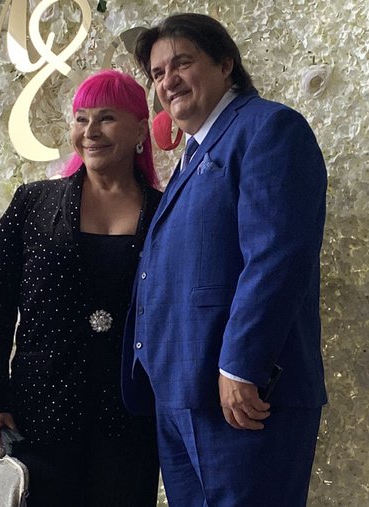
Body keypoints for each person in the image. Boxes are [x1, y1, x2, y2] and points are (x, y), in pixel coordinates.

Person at [122, 13, 328, 506]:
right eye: (157, 73)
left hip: (243, 396)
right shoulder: (190, 157)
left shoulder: (268, 128)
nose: (168, 81)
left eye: (182, 63)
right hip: (182, 395)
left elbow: (278, 256)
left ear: (225, 63)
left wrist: (240, 366)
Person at [0, 69, 162, 507]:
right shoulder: (31, 204)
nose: (90, 131)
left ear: (140, 130)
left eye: (106, 117)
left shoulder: (166, 212)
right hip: (38, 415)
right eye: (81, 119)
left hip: (131, 418)